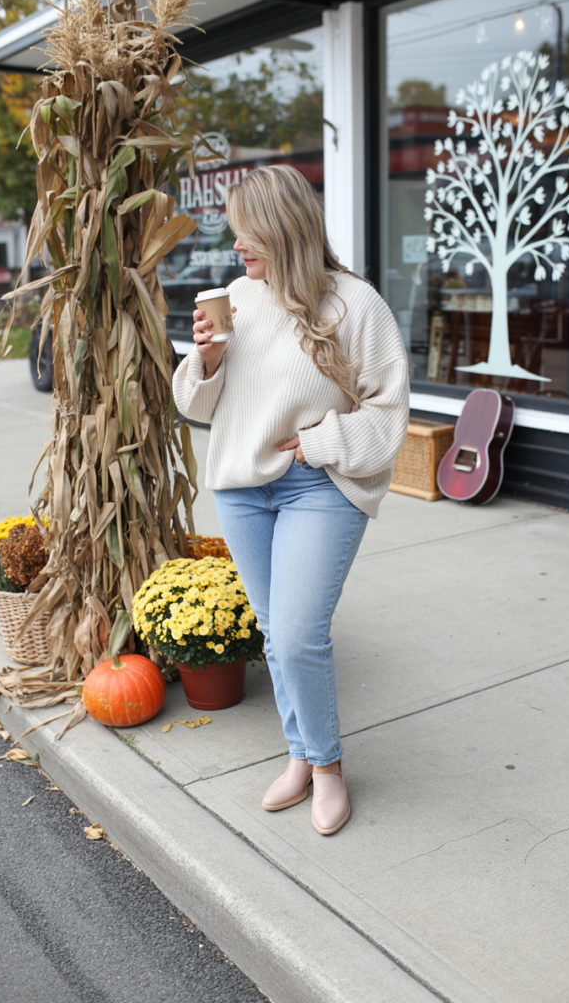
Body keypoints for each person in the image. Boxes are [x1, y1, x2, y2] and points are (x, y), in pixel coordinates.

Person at [173, 165, 410, 835]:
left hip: (317, 485)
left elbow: (389, 412)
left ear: (284, 226)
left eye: (247, 231)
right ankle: (299, 756)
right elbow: (196, 405)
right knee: (277, 635)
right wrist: (208, 361)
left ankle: (327, 768)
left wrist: (321, 441)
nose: (236, 243)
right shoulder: (235, 299)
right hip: (241, 488)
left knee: (301, 633)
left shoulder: (354, 305)